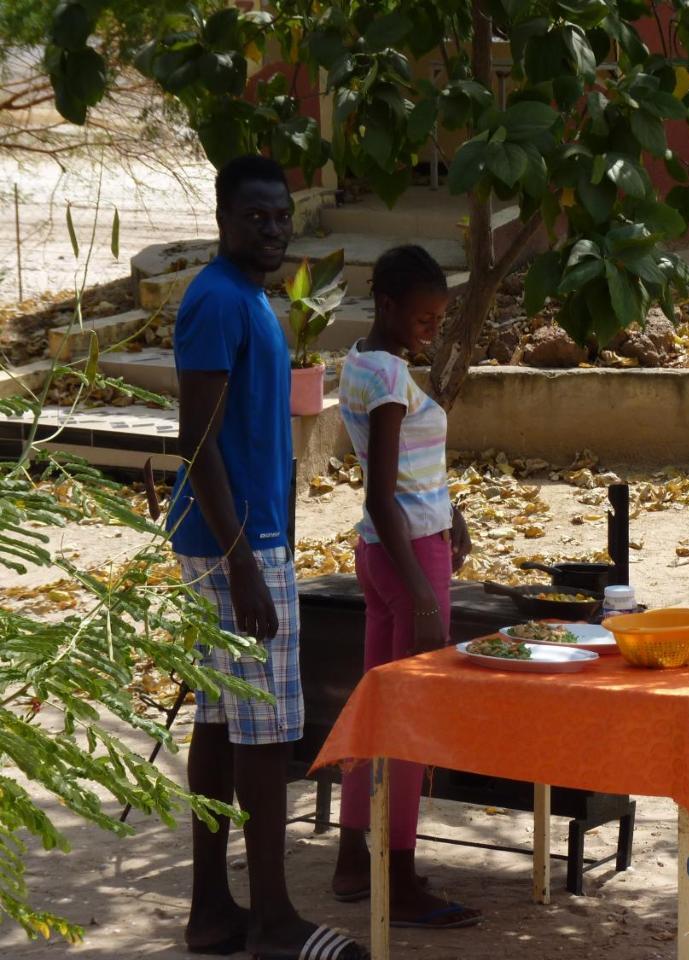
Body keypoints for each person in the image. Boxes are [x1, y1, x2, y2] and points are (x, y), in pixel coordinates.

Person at [169, 154, 369, 960]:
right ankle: (275, 921)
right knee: (266, 731)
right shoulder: (215, 300)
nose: (274, 228)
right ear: (224, 220)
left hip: (246, 539)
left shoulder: (252, 300)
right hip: (232, 545)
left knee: (223, 719)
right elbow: (197, 440)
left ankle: (212, 911)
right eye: (257, 217)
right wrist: (245, 561)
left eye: (282, 216)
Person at [330, 244, 480, 929]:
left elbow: (401, 480)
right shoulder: (389, 377)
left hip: (380, 550)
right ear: (386, 304)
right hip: (407, 555)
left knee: (373, 707)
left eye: (437, 319)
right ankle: (400, 870)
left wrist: (449, 506)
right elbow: (383, 491)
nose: (430, 329)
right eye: (421, 317)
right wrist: (423, 590)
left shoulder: (357, 363)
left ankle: (353, 857)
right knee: (410, 717)